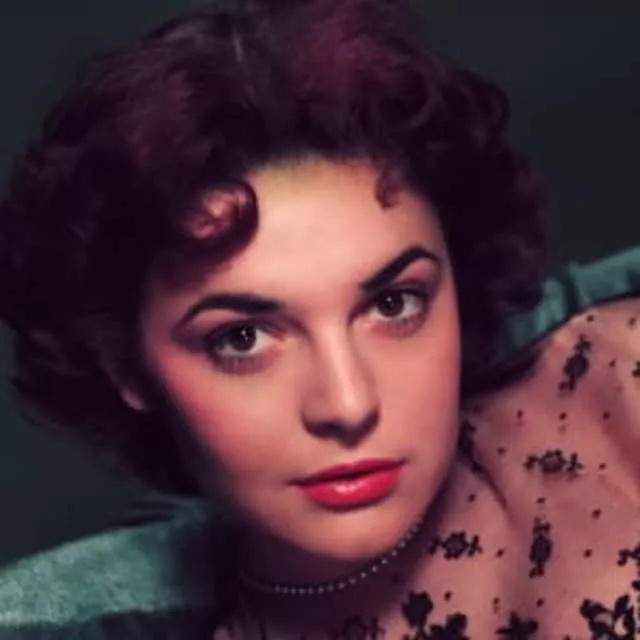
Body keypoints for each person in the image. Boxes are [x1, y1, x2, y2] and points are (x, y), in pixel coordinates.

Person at [0, 0, 637, 638]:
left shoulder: (617, 389)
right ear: (127, 367)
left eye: (393, 304)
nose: (348, 404)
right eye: (242, 338)